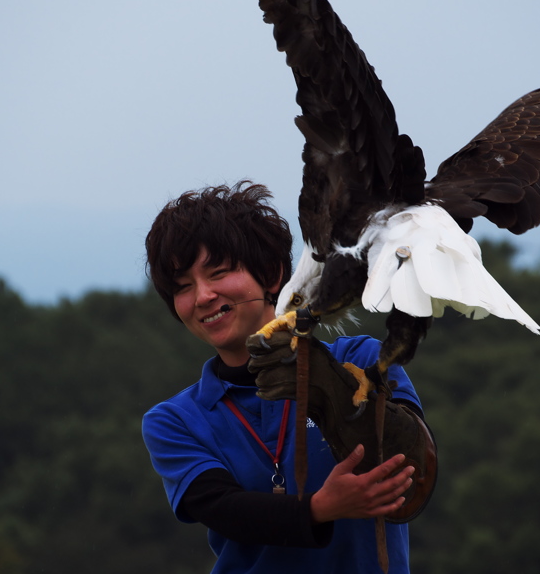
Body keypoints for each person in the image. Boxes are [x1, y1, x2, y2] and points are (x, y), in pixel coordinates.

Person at [142, 181, 435, 573]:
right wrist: (321, 508)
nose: (203, 296)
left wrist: (327, 382)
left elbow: (412, 461)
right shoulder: (174, 420)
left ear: (271, 273)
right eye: (182, 287)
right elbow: (224, 511)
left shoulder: (363, 358)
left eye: (219, 273)